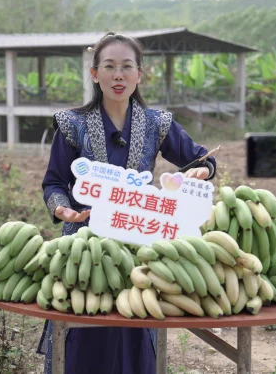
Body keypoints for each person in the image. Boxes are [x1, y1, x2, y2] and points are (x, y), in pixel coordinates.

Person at [38, 32, 218, 374]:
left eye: (126, 67)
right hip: (82, 246)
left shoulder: (157, 124)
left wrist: (201, 172)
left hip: (139, 247)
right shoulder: (71, 124)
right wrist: (62, 208)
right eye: (109, 66)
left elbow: (201, 159)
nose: (118, 75)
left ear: (139, 74)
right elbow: (55, 181)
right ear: (95, 74)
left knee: (132, 333)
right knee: (81, 333)